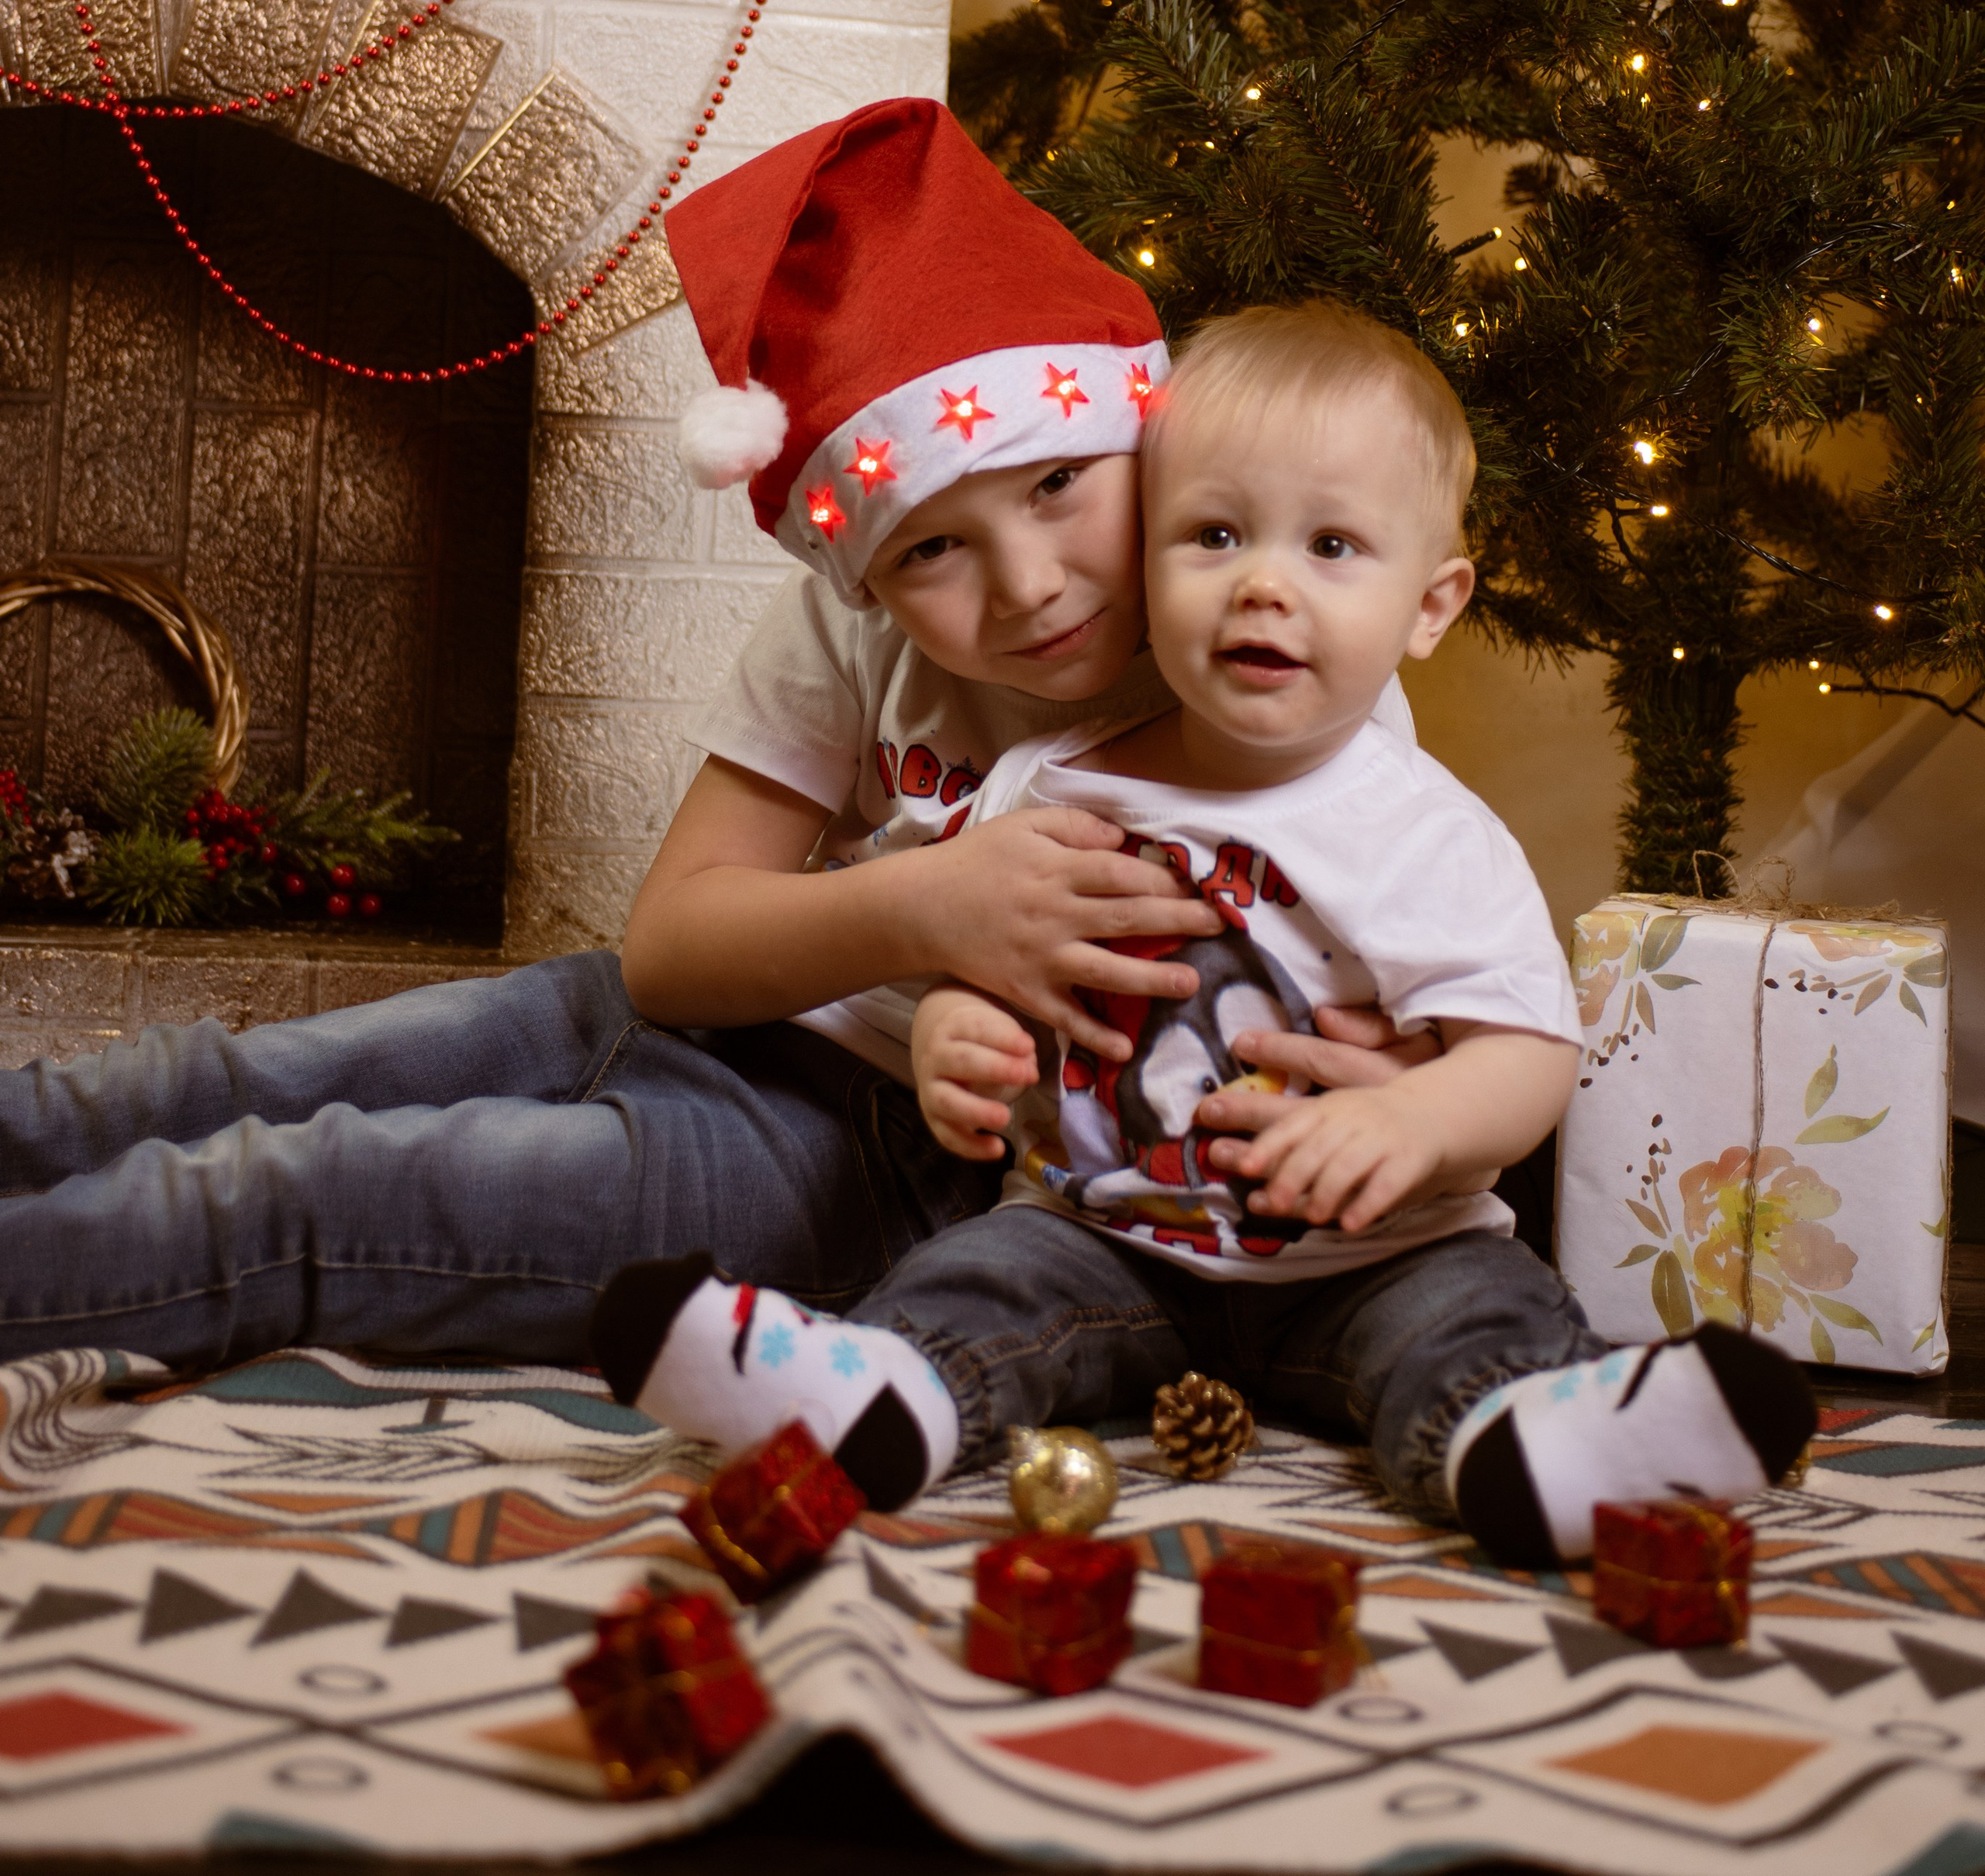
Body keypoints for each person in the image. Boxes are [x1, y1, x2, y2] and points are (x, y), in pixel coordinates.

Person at [0, 102, 1414, 1370]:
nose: (1029, 582)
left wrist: (1388, 1083)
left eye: (1058, 481)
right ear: (862, 565)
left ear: (1144, 442)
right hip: (678, 1014)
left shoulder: (1277, 672)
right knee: (233, 1078)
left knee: (297, 1189)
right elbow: (670, 948)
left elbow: (1403, 989)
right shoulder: (855, 640)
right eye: (933, 548)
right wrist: (933, 903)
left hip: (850, 1159)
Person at [594, 302, 1814, 1567]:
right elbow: (994, 979)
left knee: (1473, 1320)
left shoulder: (1422, 828)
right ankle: (870, 1395)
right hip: (1099, 1234)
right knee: (978, 1278)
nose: (1263, 582)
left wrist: (1413, 1123)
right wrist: (960, 1034)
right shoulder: (1054, 787)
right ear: (1143, 557)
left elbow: (1529, 1056)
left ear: (1431, 604)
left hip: (1376, 1252)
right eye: (1214, 534)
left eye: (1333, 544)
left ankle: (1529, 1440)